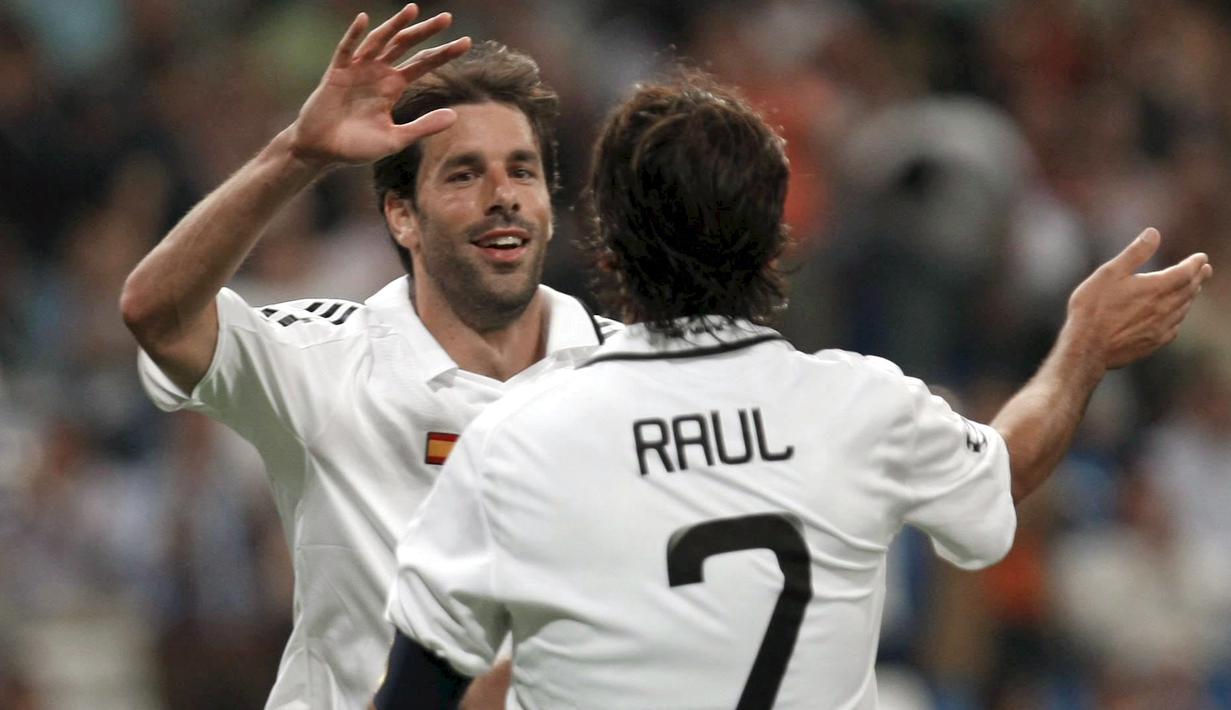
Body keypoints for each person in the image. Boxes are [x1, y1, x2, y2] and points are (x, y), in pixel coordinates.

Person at [376, 73, 1213, 709]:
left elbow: (418, 692)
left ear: (608, 239)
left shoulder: (516, 438)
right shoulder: (859, 406)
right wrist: (1084, 347)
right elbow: (1007, 466)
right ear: (775, 239)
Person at [120, 5, 617, 708]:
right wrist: (298, 153)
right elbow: (157, 313)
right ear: (401, 216)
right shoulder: (325, 361)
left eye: (522, 171)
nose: (502, 196)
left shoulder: (628, 375)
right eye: (463, 175)